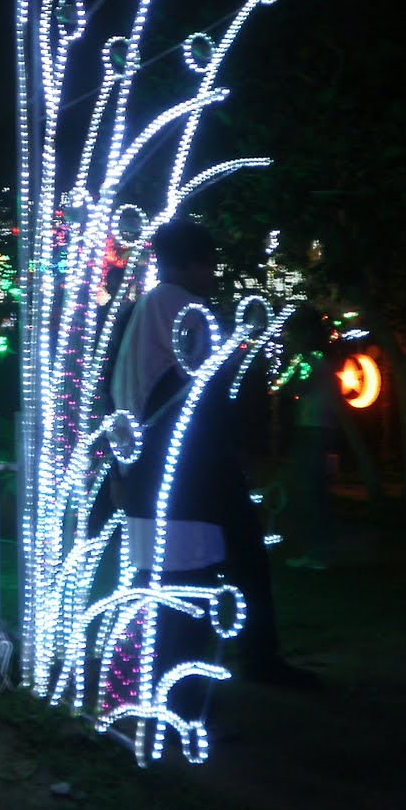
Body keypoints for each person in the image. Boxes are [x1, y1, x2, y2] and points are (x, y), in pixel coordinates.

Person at [109, 219, 319, 688]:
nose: (212, 274)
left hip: (154, 457)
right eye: (208, 264)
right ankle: (235, 665)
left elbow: (127, 388)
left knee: (211, 560)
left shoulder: (146, 307)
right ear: (191, 263)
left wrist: (122, 469)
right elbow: (206, 386)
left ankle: (230, 661)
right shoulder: (183, 308)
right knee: (217, 562)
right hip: (188, 461)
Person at [277, 305, 344, 573]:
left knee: (309, 489)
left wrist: (288, 373)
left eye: (293, 333)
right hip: (316, 427)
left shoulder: (311, 360)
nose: (290, 338)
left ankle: (315, 552)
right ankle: (317, 549)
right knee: (312, 489)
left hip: (313, 429)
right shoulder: (318, 359)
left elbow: (296, 387)